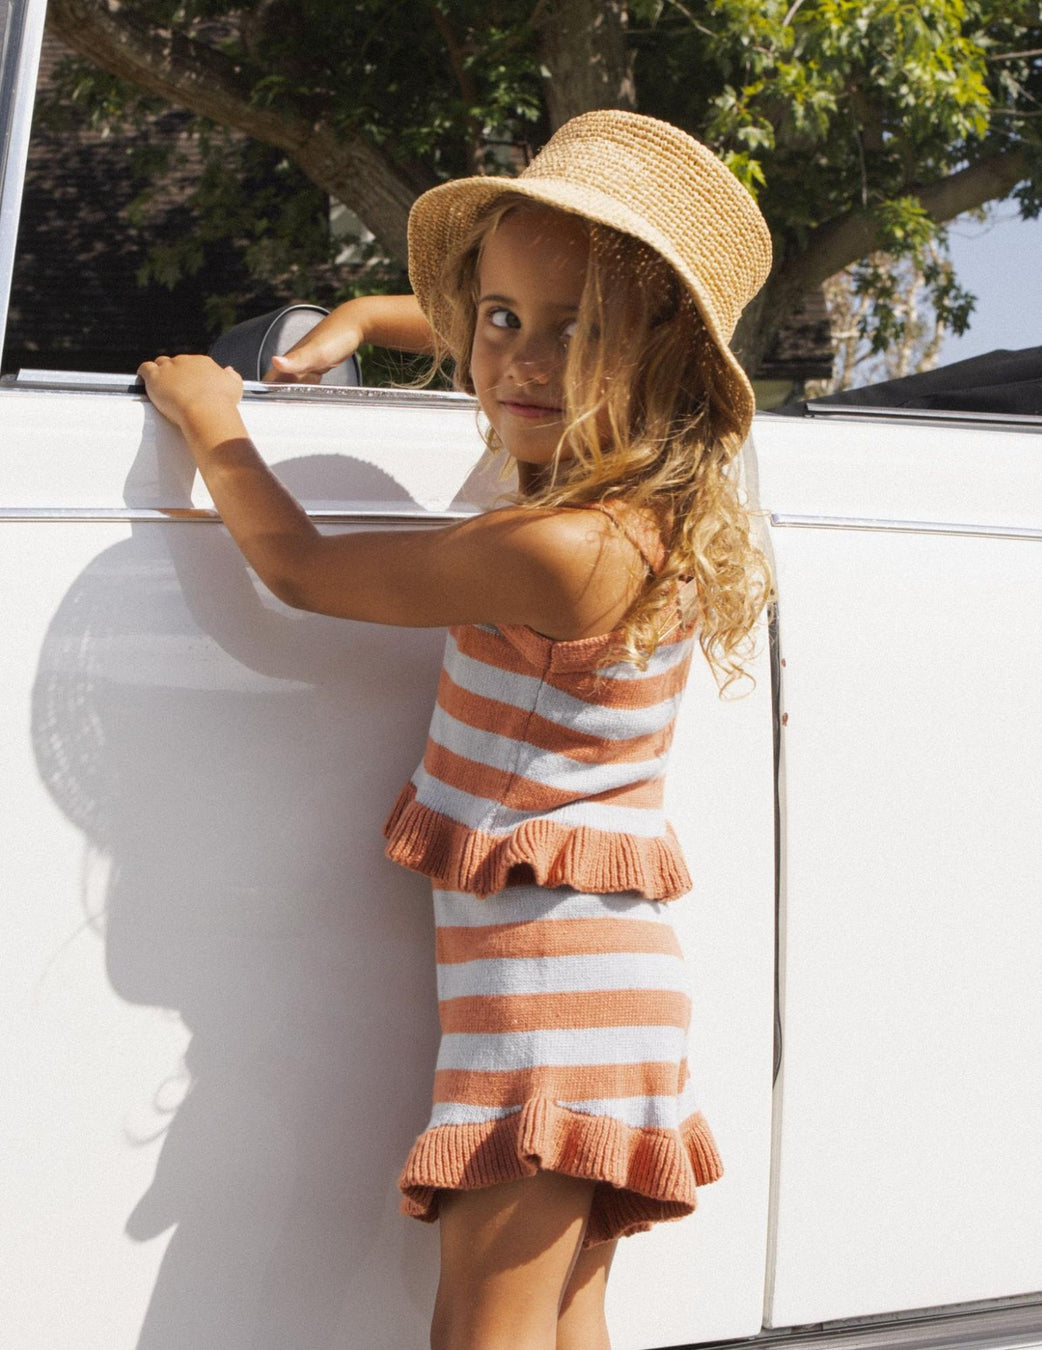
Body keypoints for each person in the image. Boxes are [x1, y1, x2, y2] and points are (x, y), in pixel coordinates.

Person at [138, 108, 773, 1350]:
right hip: (599, 990)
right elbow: (495, 337)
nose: (522, 363)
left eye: (578, 330)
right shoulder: (630, 505)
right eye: (500, 319)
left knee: (483, 1331)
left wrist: (214, 421)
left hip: (549, 999)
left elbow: (303, 569)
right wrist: (360, 321)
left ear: (658, 360)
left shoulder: (559, 546)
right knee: (566, 1320)